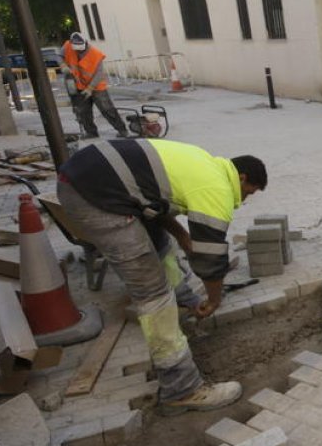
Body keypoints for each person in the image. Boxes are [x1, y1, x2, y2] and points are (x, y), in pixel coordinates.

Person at [57, 138, 266, 413]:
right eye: (248, 192)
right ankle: (182, 389)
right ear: (241, 177)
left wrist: (181, 235)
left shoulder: (202, 160)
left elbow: (154, 204)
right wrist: (214, 299)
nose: (245, 199)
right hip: (96, 197)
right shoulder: (217, 189)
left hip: (94, 178)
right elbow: (211, 260)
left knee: (159, 244)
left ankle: (185, 300)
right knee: (153, 296)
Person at [61, 32, 128, 138]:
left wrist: (90, 88)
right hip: (79, 85)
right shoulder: (67, 46)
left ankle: (122, 130)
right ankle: (91, 133)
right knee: (83, 111)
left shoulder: (95, 54)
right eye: (76, 49)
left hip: (96, 86)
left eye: (80, 49)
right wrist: (63, 65)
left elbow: (99, 73)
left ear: (85, 43)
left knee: (107, 109)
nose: (78, 51)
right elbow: (59, 56)